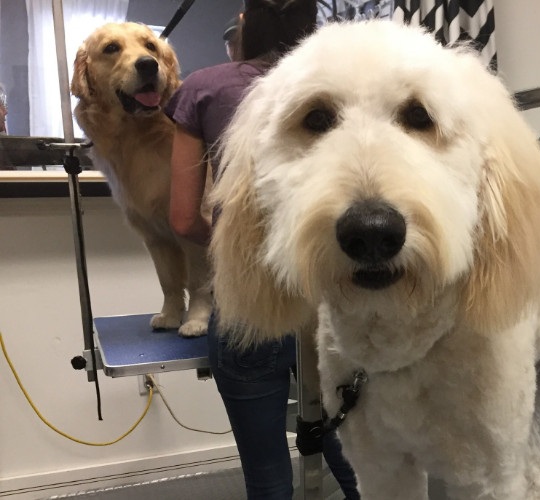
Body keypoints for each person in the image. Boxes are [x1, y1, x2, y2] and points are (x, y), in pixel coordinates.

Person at [165, 2, 360, 499]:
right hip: (331, 295)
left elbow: (184, 217)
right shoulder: (343, 84)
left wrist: (249, 248)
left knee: (268, 475)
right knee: (357, 454)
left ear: (245, 25)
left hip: (247, 300)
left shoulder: (204, 88)